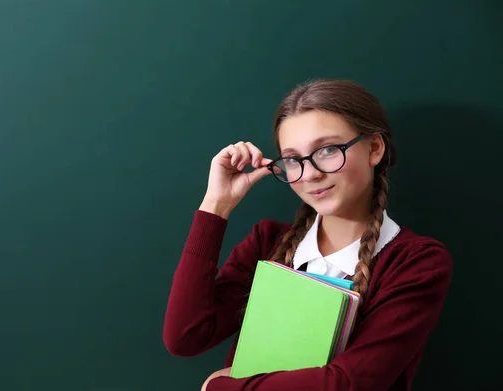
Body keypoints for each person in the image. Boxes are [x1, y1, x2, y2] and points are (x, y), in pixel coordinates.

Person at [162, 79, 453, 391]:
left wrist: (221, 388)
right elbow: (186, 336)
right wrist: (216, 205)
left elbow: (348, 383)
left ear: (374, 148)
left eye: (327, 150)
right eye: (293, 159)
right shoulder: (267, 241)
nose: (311, 173)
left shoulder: (416, 262)